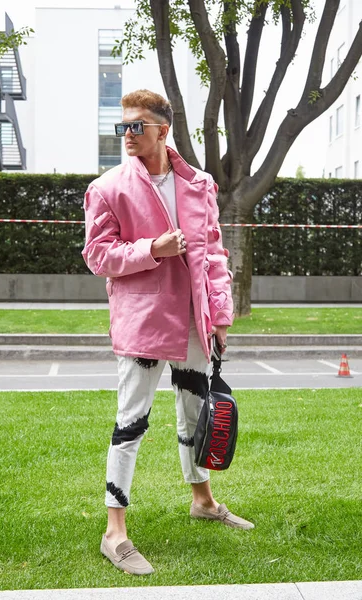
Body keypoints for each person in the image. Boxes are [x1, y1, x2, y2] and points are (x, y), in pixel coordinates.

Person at [82, 89, 254, 576]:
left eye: (136, 125)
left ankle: (203, 500)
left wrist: (220, 315)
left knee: (196, 413)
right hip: (143, 323)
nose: (127, 135)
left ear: (163, 129)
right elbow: (98, 256)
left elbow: (215, 254)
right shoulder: (109, 188)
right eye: (123, 126)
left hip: (195, 323)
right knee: (131, 422)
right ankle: (114, 532)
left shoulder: (199, 184)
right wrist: (150, 249)